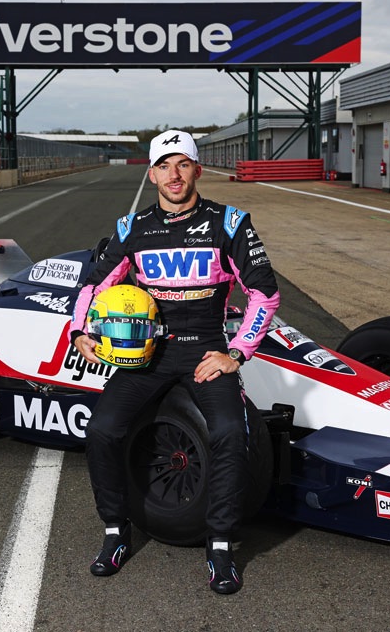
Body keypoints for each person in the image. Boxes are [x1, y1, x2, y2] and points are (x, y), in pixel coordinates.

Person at [69, 129, 280, 595]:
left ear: (197, 170)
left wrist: (237, 353)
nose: (174, 174)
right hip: (147, 354)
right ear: (152, 174)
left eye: (182, 164)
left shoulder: (230, 222)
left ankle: (221, 545)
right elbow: (92, 286)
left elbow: (264, 292)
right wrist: (79, 331)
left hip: (206, 349)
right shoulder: (132, 228)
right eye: (164, 166)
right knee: (102, 429)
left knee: (229, 432)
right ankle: (114, 532)